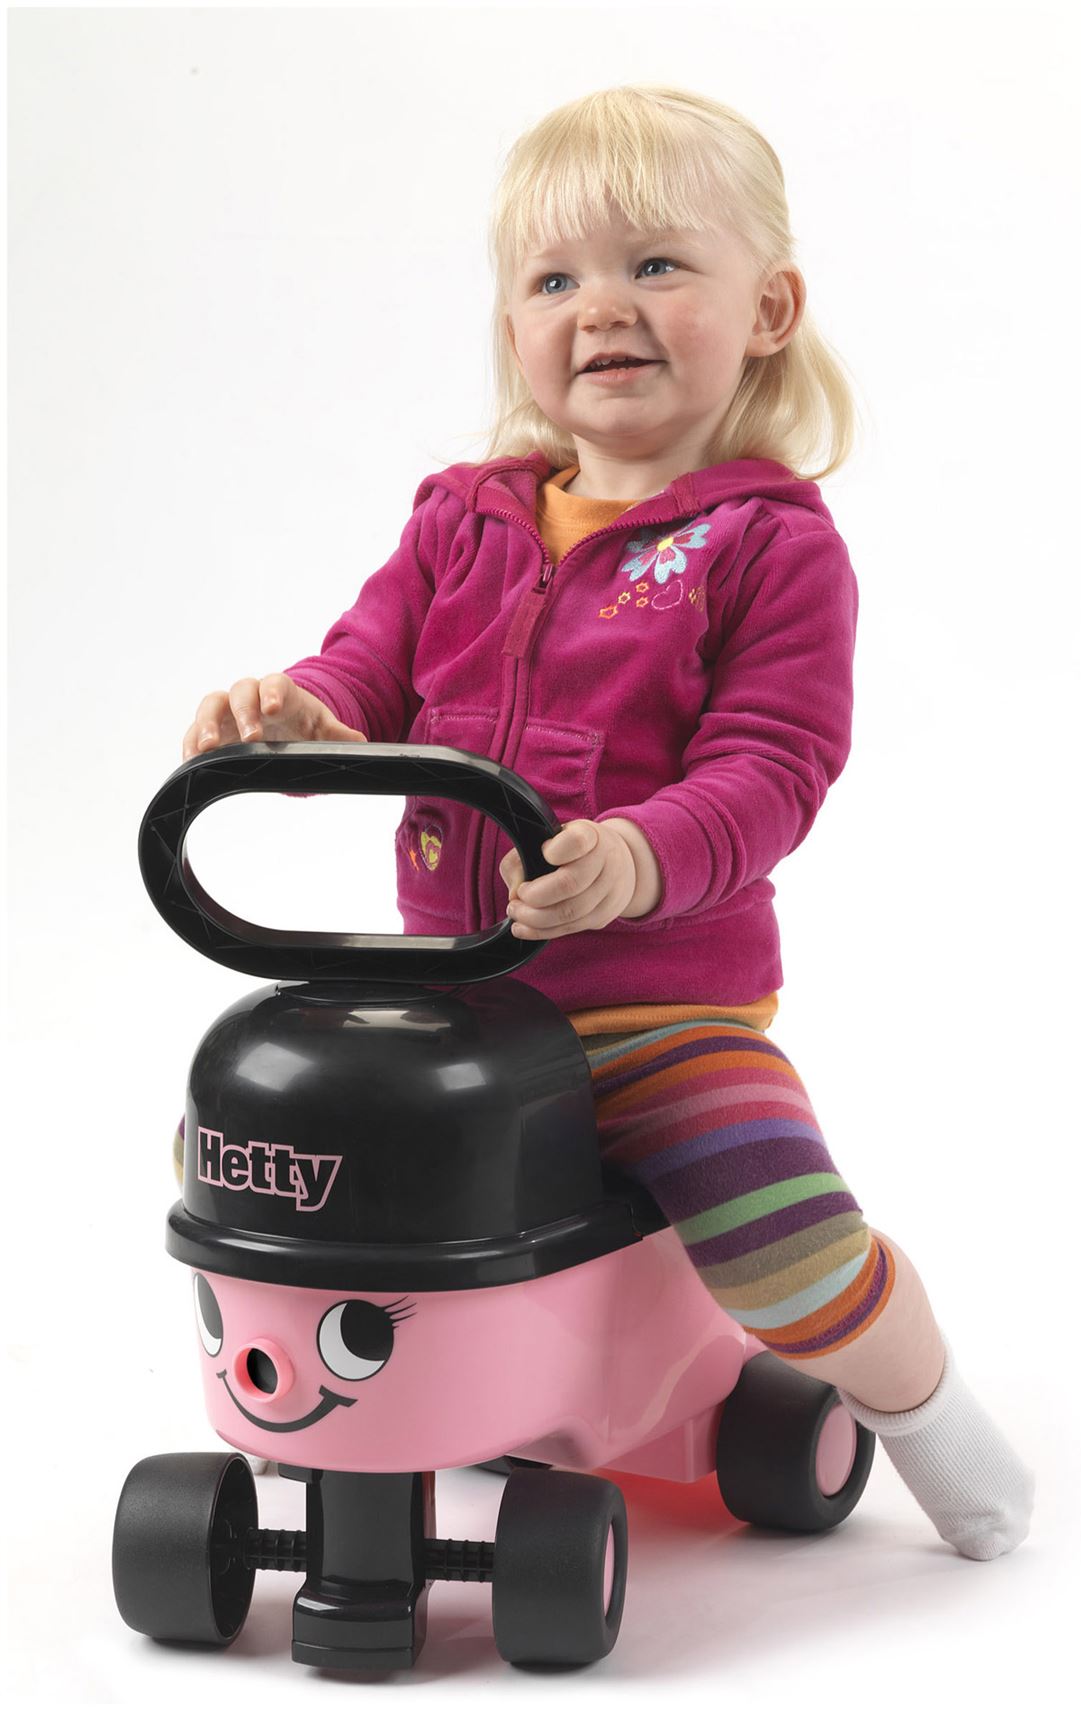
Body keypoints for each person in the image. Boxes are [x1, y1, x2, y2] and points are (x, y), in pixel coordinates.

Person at [180, 84, 1033, 1561]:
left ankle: (927, 1413)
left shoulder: (767, 545)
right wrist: (298, 720)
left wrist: (641, 857)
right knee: (297, 1147)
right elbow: (364, 672)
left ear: (767, 309)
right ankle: (382, 1385)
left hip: (656, 1007)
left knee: (775, 1237)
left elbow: (775, 767)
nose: (603, 310)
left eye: (655, 266)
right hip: (455, 997)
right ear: (513, 324)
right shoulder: (462, 519)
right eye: (555, 280)